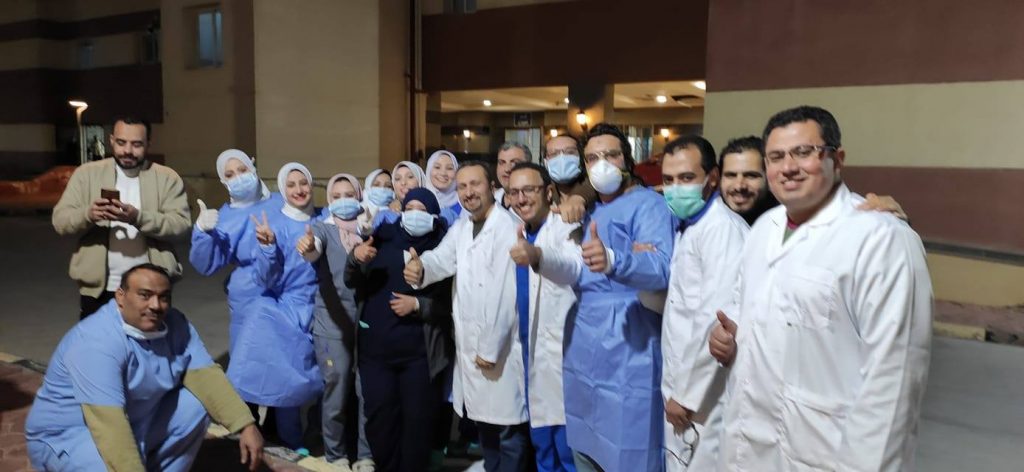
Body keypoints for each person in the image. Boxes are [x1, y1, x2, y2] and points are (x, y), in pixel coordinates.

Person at [709, 106, 932, 471]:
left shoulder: (882, 239)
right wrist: (727, 332)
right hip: (749, 442)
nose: (788, 167)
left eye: (803, 152)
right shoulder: (764, 228)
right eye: (776, 157)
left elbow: (893, 381)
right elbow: (746, 301)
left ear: (836, 159)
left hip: (827, 453)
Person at [25, 263, 264, 471]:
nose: (156, 305)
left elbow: (206, 376)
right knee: (109, 462)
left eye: (164, 297)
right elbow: (109, 426)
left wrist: (245, 425)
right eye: (145, 295)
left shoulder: (175, 323)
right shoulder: (97, 341)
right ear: (120, 296)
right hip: (72, 435)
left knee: (197, 403)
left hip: (136, 419)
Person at [538, 123, 674, 472]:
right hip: (584, 340)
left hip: (630, 341)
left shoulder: (649, 206)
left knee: (630, 448)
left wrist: (615, 259)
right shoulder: (591, 209)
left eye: (611, 155)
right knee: (587, 443)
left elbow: (660, 268)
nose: (602, 164)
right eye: (592, 158)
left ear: (627, 160)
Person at [404, 161, 531, 471]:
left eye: (475, 184)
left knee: (509, 431)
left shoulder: (507, 228)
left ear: (491, 187)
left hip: (500, 348)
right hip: (471, 347)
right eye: (462, 186)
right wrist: (422, 268)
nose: (468, 192)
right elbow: (442, 259)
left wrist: (490, 347)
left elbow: (506, 296)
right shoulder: (462, 227)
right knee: (486, 426)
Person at [344, 187, 454, 472]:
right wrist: (355, 258)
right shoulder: (382, 237)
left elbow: (451, 306)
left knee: (417, 423)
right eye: (409, 208)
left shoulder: (444, 248)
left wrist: (417, 305)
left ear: (434, 215)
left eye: (422, 210)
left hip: (420, 356)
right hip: (375, 354)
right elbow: (351, 280)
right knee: (380, 419)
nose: (414, 214)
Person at [657, 136, 745, 471]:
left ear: (712, 177)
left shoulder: (722, 230)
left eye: (686, 178)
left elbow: (715, 318)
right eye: (668, 180)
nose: (676, 188)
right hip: (682, 382)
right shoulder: (690, 226)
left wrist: (686, 394)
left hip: (703, 396)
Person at [52, 116, 190, 319]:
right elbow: (60, 221)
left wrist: (138, 218)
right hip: (98, 290)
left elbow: (181, 226)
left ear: (148, 144)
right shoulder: (87, 174)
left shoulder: (167, 177)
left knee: (150, 340)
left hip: (150, 288)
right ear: (111, 141)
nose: (127, 151)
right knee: (97, 340)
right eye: (121, 142)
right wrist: (88, 215)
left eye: (137, 144)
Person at [228, 162, 323, 451]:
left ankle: (322, 436)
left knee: (326, 378)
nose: (299, 190)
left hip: (323, 308)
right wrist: (267, 248)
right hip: (289, 311)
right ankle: (291, 441)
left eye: (303, 183)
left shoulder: (324, 218)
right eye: (291, 185)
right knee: (287, 378)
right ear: (282, 189)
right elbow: (265, 278)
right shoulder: (275, 225)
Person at [297, 173, 375, 471]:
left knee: (367, 391)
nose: (344, 200)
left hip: (366, 323)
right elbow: (313, 248)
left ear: (359, 195)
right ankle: (336, 455)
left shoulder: (369, 227)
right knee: (337, 388)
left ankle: (366, 454)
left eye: (349, 194)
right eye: (337, 196)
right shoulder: (322, 228)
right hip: (332, 324)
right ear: (329, 200)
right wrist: (307, 247)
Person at [506, 162, 580, 472]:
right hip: (527, 356)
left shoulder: (565, 227)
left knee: (568, 452)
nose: (521, 199)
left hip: (560, 357)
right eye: (514, 192)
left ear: (548, 192)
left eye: (528, 190)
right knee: (543, 451)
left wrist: (538, 256)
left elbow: (572, 267)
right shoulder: (516, 231)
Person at [189, 149, 282, 353]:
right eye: (230, 175)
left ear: (253, 167)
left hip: (288, 289)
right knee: (250, 351)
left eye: (242, 170)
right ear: (224, 182)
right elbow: (205, 265)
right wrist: (202, 232)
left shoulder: (281, 203)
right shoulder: (224, 219)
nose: (238, 178)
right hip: (250, 294)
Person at [543, 134, 595, 224]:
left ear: (581, 158)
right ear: (545, 161)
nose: (562, 158)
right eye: (554, 154)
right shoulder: (544, 194)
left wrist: (578, 198)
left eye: (570, 152)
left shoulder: (596, 187)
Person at [425, 150, 463, 217]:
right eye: (437, 167)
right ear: (429, 170)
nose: (443, 173)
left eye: (449, 168)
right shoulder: (418, 199)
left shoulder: (463, 201)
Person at [358, 169, 395, 234]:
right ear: (368, 187)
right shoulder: (358, 210)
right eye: (376, 185)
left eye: (388, 186)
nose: (382, 189)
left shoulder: (396, 211)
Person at [495, 141, 532, 206]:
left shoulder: (536, 203)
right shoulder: (492, 200)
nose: (507, 169)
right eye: (502, 163)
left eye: (514, 163)